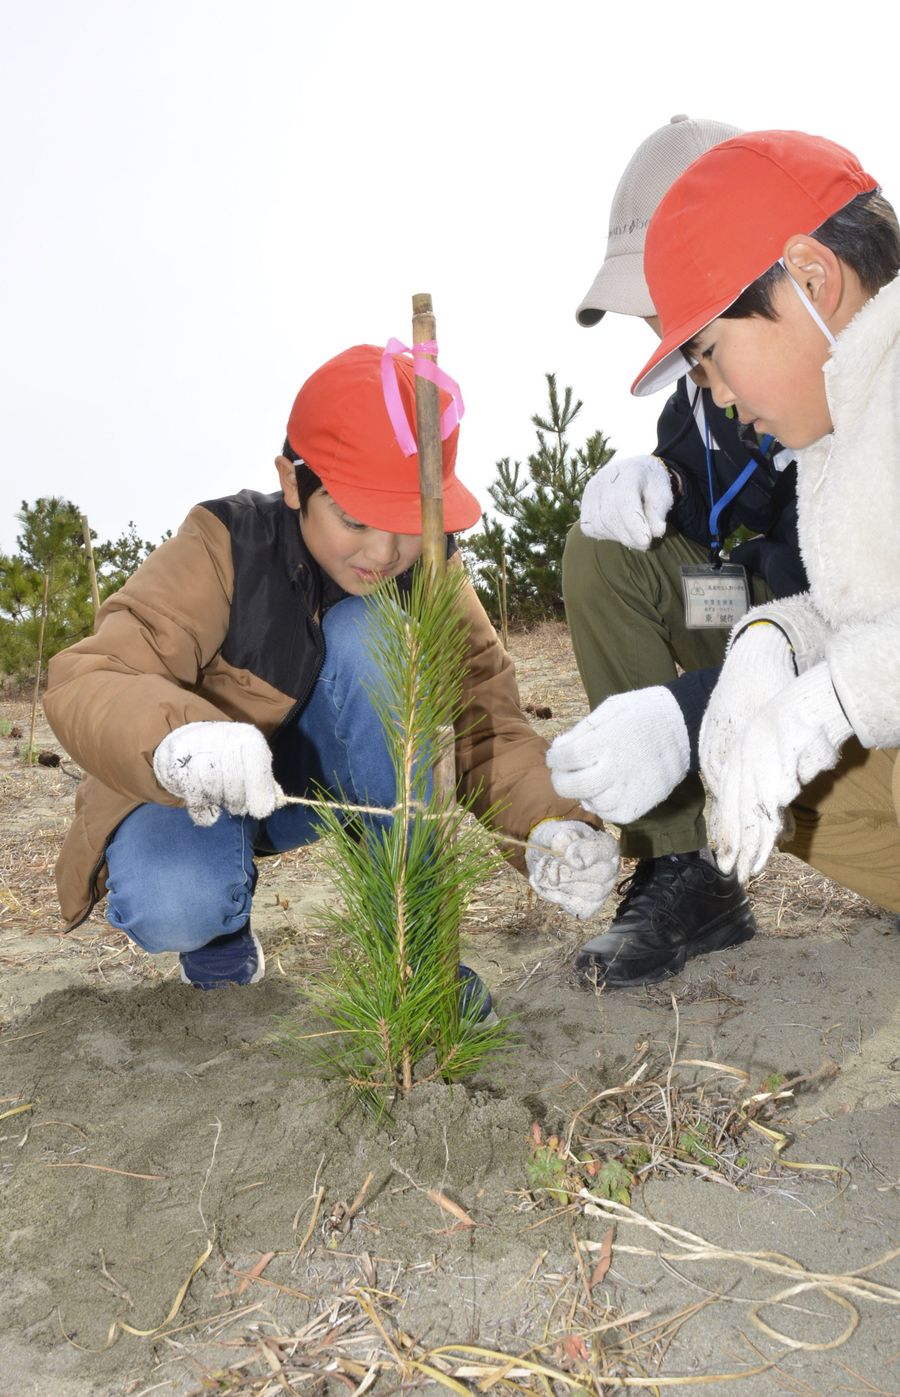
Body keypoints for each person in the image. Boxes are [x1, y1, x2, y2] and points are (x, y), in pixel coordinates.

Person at [44, 342, 619, 1001]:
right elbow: (90, 675)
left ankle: (416, 965)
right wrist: (181, 743)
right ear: (293, 480)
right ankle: (219, 940)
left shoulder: (430, 571)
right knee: (172, 897)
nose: (383, 552)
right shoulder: (225, 544)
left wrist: (547, 825)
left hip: (337, 784)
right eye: (354, 518)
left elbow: (485, 726)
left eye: (406, 523)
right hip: (205, 786)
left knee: (371, 630)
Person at [550, 116, 807, 988]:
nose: (652, 321)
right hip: (751, 619)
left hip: (835, 652)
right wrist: (656, 483)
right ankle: (682, 862)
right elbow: (702, 511)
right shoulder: (695, 401)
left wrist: (680, 715)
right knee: (603, 553)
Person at [625, 129, 900, 913]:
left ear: (810, 277)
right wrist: (770, 643)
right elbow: (872, 612)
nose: (714, 395)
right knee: (755, 760)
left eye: (710, 355)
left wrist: (835, 697)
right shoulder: (834, 428)